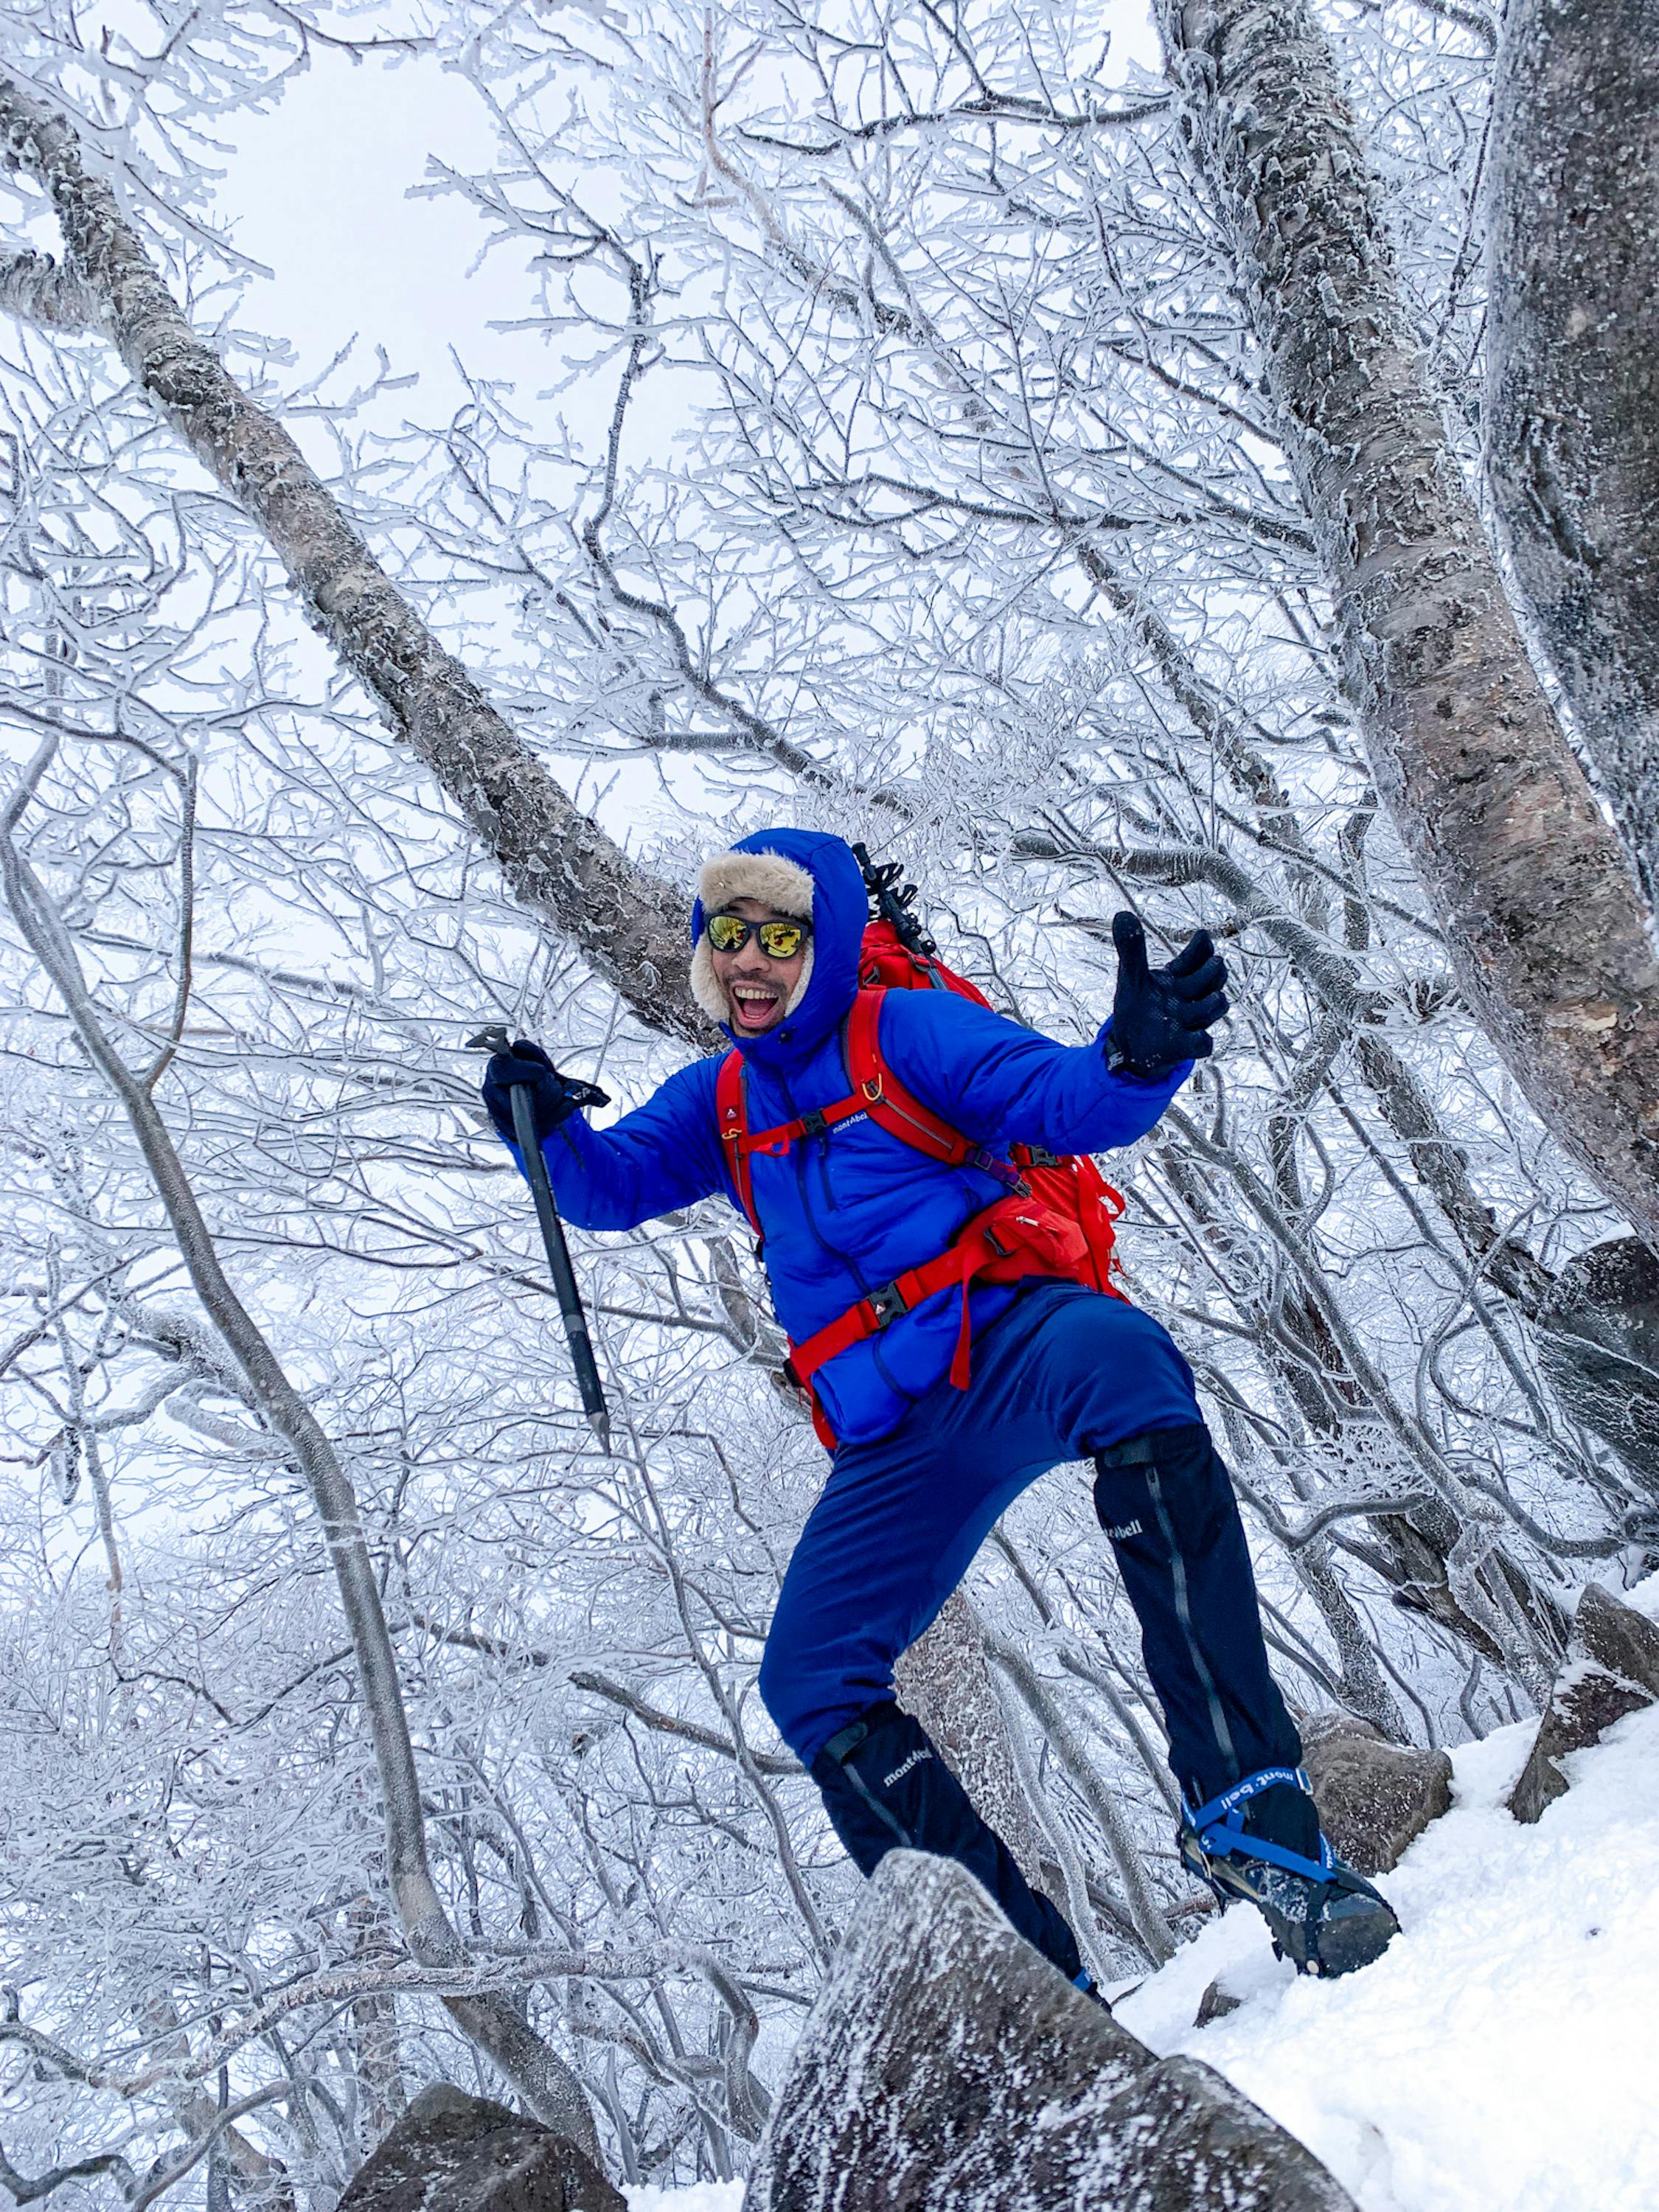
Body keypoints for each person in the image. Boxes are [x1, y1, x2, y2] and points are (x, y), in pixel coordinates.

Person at [481, 828, 1399, 1984]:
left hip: (1004, 1337)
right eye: (729, 936)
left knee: (1125, 1357)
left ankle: (1248, 1810)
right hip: (892, 1433)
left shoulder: (902, 1031)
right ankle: (1022, 1969)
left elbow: (1060, 1099)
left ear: (828, 944)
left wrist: (1133, 1057)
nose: (750, 961)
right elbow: (607, 1189)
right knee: (810, 1676)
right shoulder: (717, 1100)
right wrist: (539, 1127)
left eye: (777, 935)